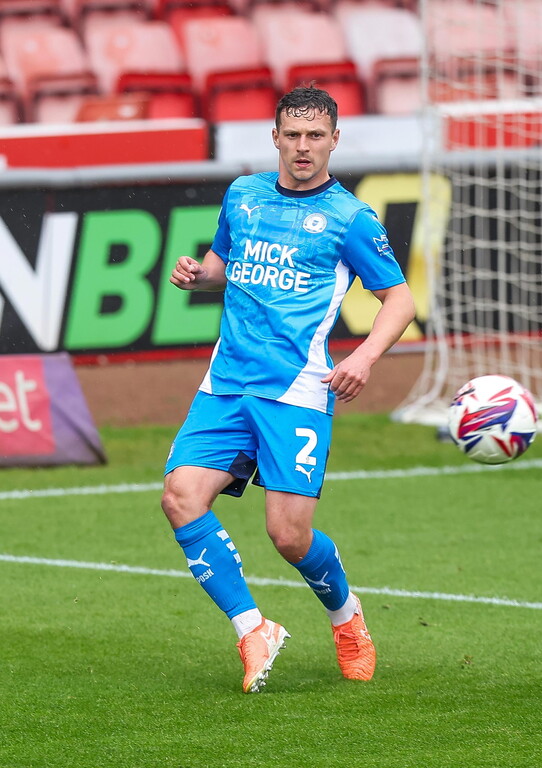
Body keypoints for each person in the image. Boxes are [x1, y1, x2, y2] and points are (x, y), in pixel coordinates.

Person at [162, 86, 416, 693]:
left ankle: (346, 616)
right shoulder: (242, 195)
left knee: (289, 535)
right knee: (180, 497)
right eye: (293, 135)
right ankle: (253, 628)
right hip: (226, 383)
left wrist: (364, 358)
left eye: (315, 136)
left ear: (334, 140)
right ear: (275, 137)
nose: (303, 147)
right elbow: (223, 264)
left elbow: (400, 300)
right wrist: (199, 275)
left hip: (297, 390)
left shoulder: (351, 219)